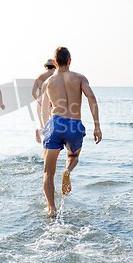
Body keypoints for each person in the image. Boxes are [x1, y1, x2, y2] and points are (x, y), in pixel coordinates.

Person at [41, 47, 102, 217]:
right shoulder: (80, 78)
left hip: (55, 124)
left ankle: (52, 209)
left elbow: (44, 110)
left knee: (48, 172)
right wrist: (97, 126)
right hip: (74, 125)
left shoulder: (48, 83)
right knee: (73, 156)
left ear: (54, 62)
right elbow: (92, 98)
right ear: (70, 61)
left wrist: (43, 129)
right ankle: (67, 171)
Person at [32, 59, 56, 143]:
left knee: (43, 125)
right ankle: (50, 145)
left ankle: (39, 132)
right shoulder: (54, 77)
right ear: (54, 67)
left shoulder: (39, 76)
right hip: (49, 103)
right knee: (53, 125)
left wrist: (38, 101)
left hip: (39, 102)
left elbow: (33, 92)